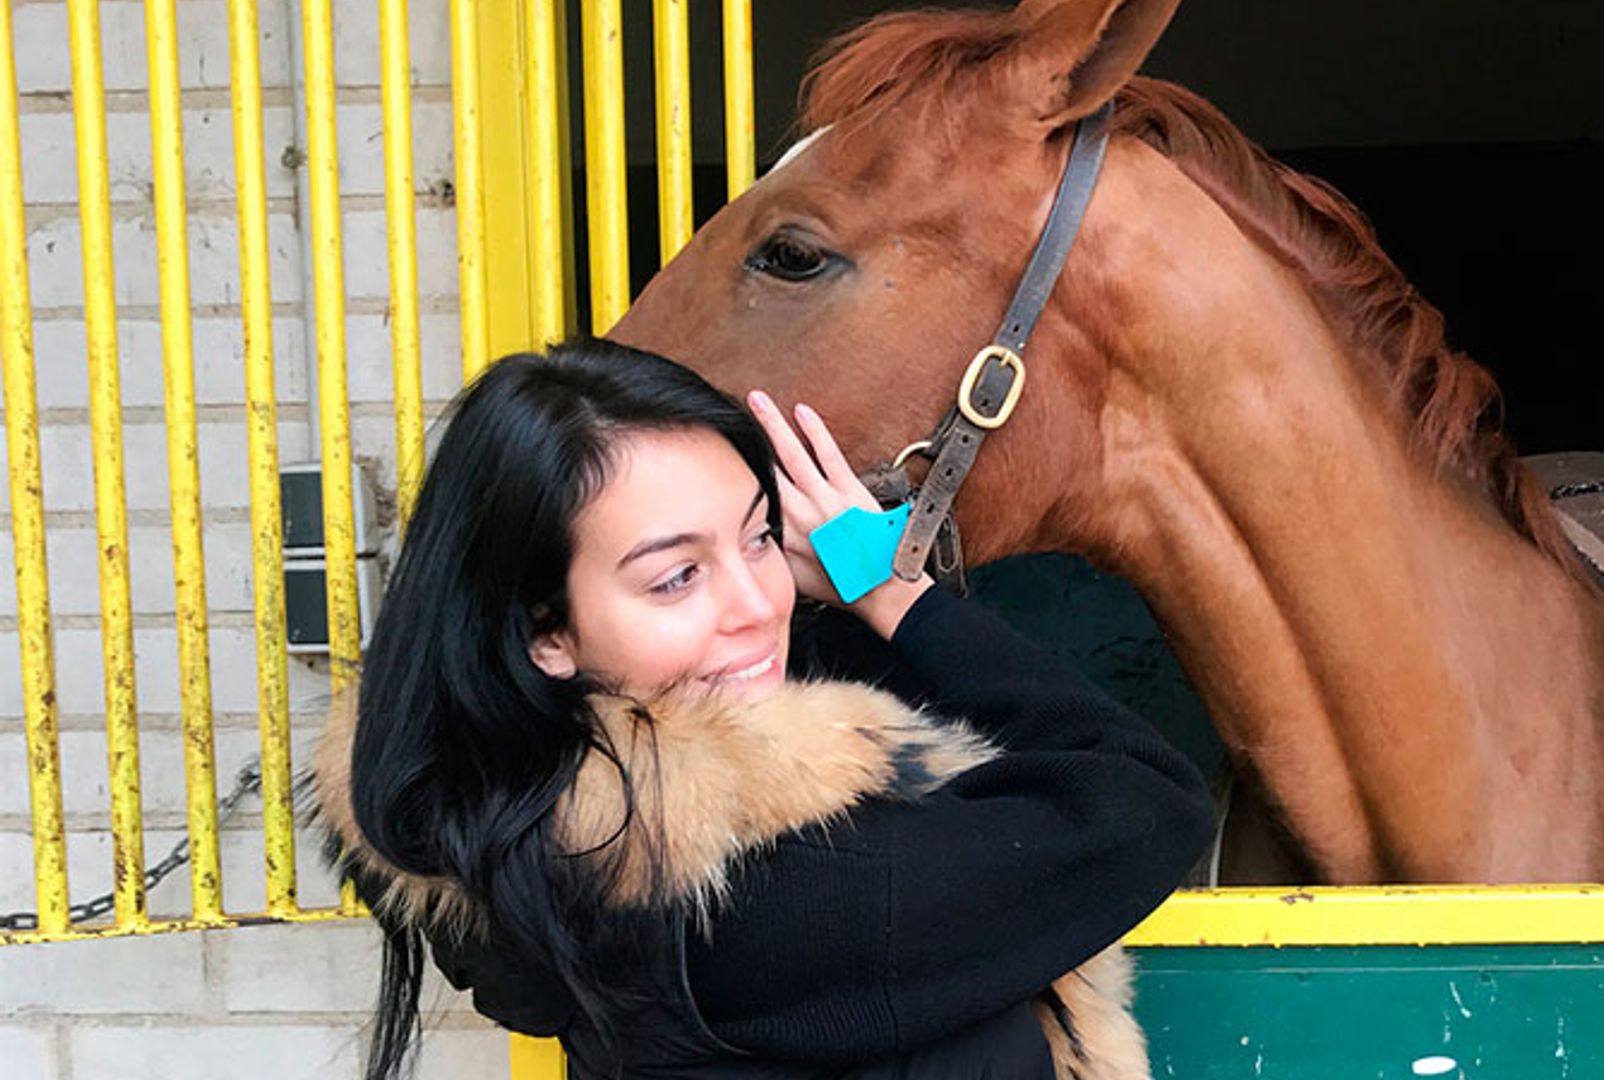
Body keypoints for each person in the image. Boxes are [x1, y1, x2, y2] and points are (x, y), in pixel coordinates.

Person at [307, 338, 1214, 1080]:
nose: (759, 603)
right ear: (549, 634)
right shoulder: (789, 898)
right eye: (676, 577)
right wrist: (892, 595)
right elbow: (1144, 800)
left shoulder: (531, 831)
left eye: (760, 539)